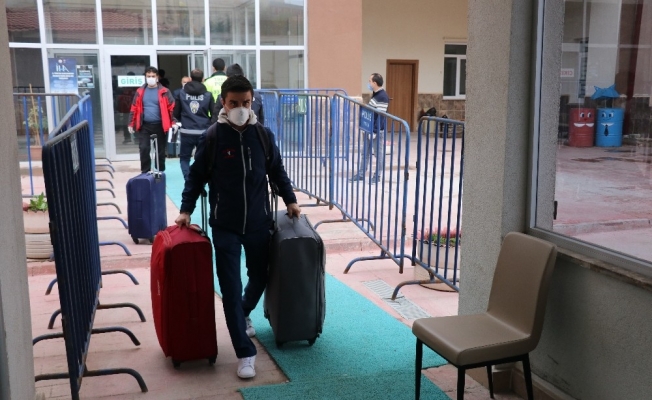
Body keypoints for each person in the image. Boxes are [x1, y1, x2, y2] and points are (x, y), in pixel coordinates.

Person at [175, 75, 300, 379]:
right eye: (234, 103)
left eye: (246, 102)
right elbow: (196, 177)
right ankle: (245, 353)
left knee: (260, 275)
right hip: (225, 226)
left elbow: (277, 171)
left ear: (252, 101)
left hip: (258, 222)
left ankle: (244, 312)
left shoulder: (263, 136)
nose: (241, 109)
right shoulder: (212, 137)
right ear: (223, 103)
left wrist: (291, 200)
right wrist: (186, 210)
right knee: (230, 288)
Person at [128, 66, 177, 173]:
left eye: (153, 76)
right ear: (145, 77)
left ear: (157, 77)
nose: (151, 78)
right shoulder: (140, 91)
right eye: (148, 76)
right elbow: (134, 107)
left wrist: (173, 122)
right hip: (144, 125)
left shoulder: (164, 91)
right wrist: (131, 123)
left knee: (160, 151)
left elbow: (171, 107)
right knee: (144, 148)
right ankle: (145, 172)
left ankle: (160, 171)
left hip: (160, 125)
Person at [173, 69, 214, 180]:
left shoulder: (181, 94)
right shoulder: (208, 95)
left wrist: (183, 120)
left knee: (184, 158)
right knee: (203, 159)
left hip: (186, 131)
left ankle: (188, 180)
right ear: (203, 79)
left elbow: (176, 113)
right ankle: (200, 181)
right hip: (203, 131)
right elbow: (214, 113)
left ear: (190, 79)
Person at [350, 73, 390, 183]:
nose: (368, 83)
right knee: (365, 153)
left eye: (370, 81)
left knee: (378, 154)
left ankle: (377, 176)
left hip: (376, 131)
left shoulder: (383, 97)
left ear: (375, 83)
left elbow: (381, 116)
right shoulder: (376, 94)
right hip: (369, 129)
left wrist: (375, 131)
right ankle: (361, 174)